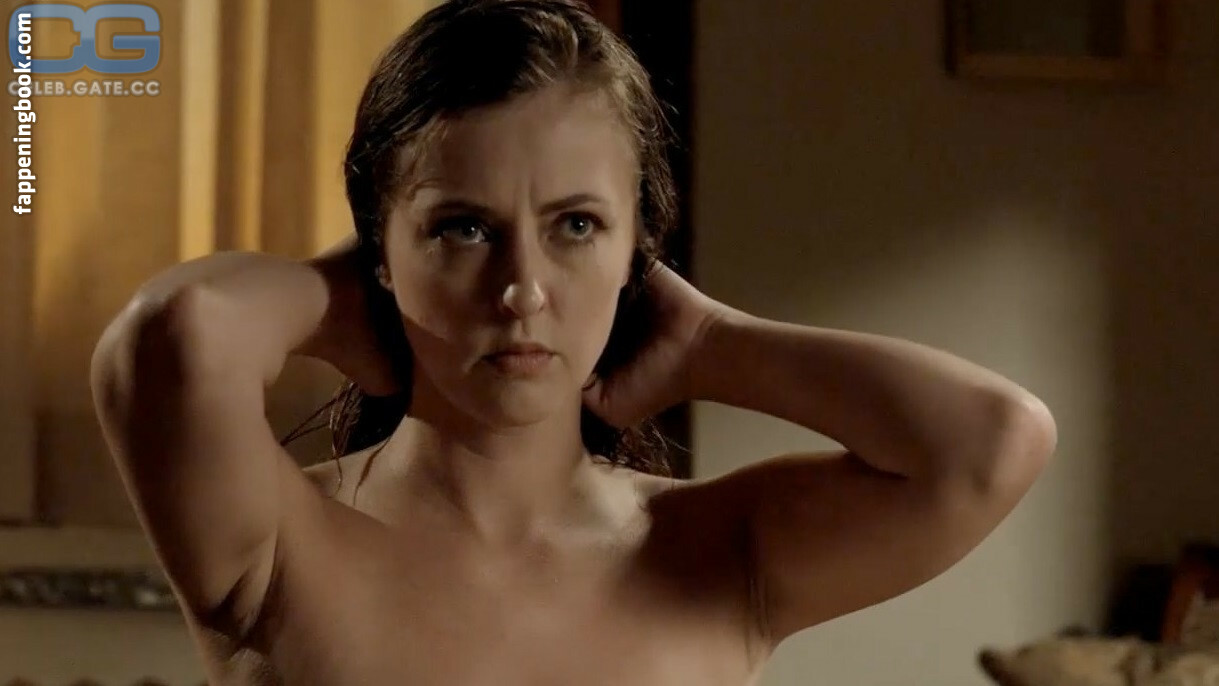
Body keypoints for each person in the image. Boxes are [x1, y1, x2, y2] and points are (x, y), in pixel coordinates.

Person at [89, 1, 1057, 684]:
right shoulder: (276, 543)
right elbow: (174, 338)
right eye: (464, 227)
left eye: (576, 225)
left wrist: (711, 342)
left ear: (639, 247)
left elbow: (992, 442)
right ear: (379, 250)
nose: (522, 291)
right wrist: (338, 301)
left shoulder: (716, 554)